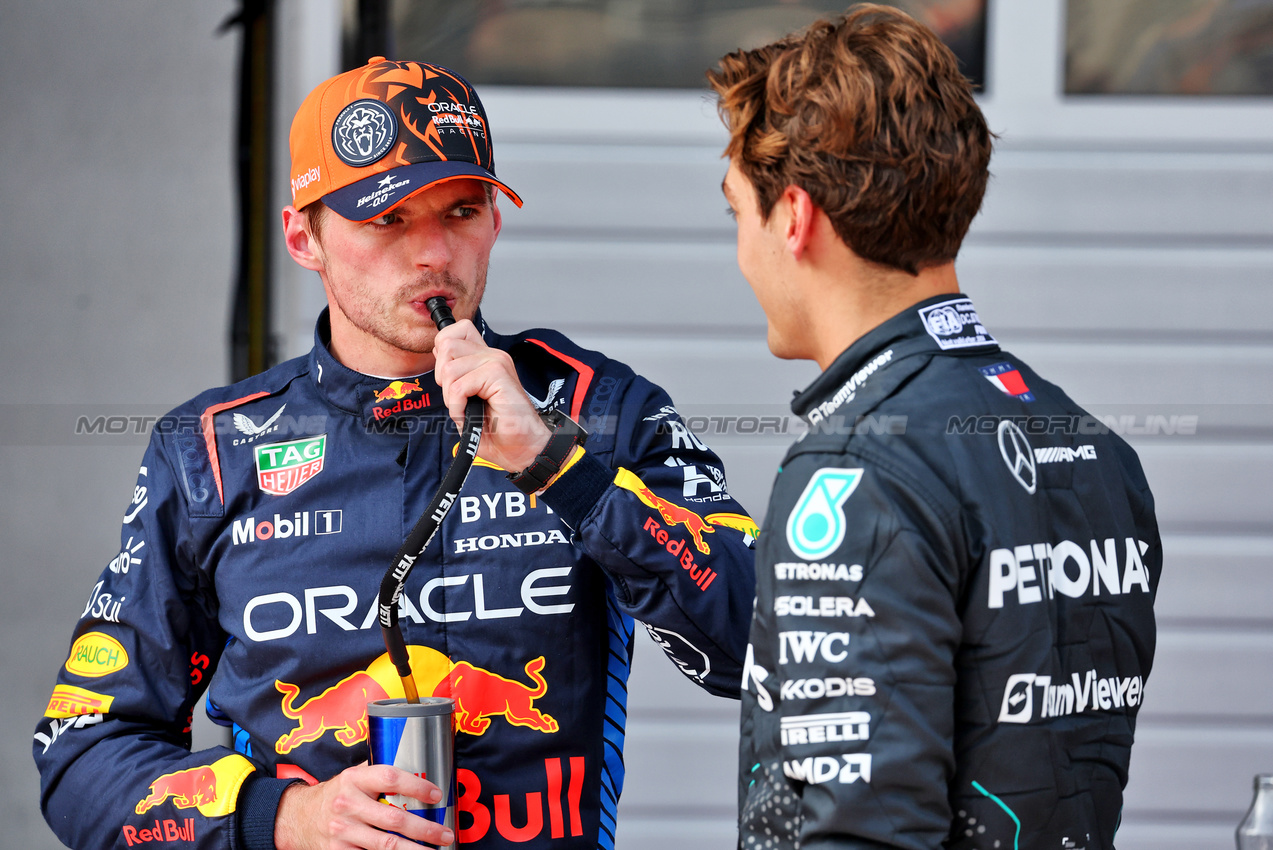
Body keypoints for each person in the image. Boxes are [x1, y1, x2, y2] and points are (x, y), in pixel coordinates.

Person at [35, 58, 757, 850]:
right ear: (303, 236)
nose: (433, 256)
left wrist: (558, 468)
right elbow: (79, 757)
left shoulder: (597, 408)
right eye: (387, 221)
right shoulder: (209, 451)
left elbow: (760, 645)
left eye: (461, 211)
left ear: (496, 220)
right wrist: (285, 818)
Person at [708, 6, 1161, 849]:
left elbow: (852, 833)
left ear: (795, 217)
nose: (741, 249)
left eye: (738, 212)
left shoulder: (855, 470)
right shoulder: (1093, 445)